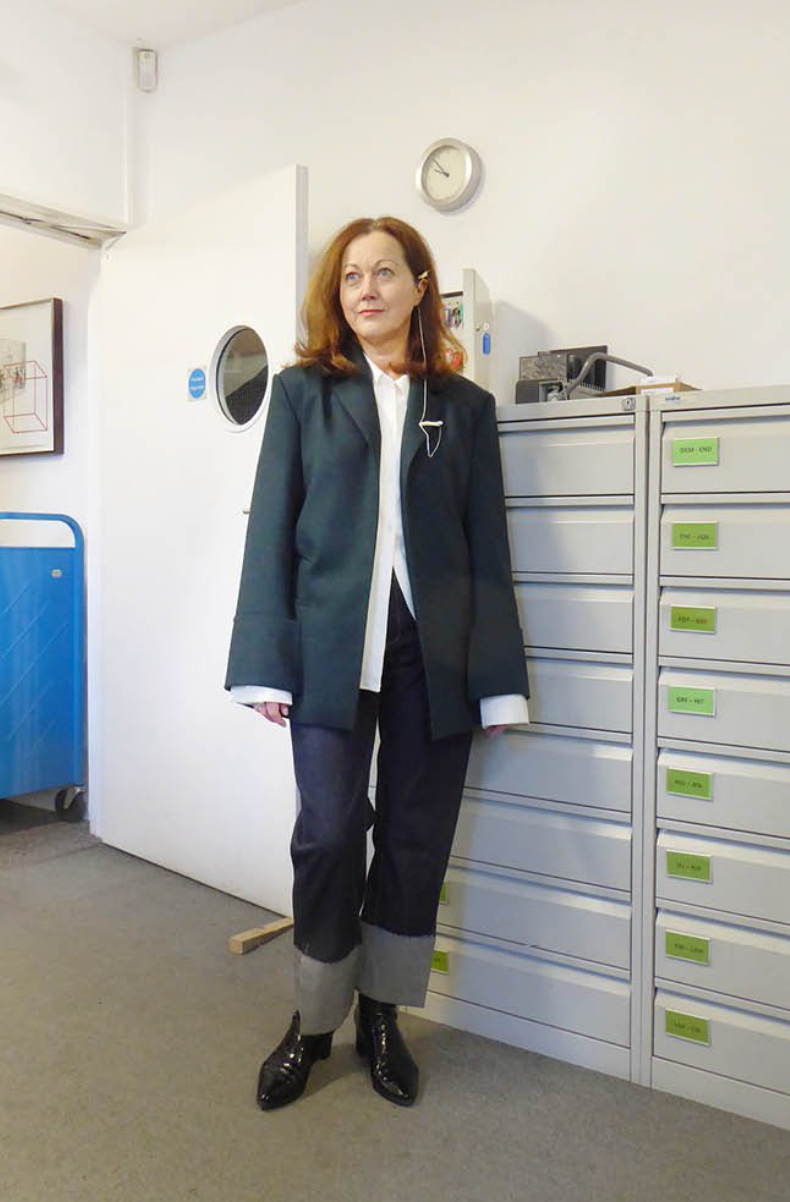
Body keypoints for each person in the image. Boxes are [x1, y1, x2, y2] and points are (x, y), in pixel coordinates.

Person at [225, 215, 529, 1110]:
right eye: (352, 275)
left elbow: (486, 550)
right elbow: (271, 530)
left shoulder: (462, 408)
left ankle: (384, 1016)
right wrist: (264, 662)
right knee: (327, 832)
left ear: (419, 287)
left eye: (385, 272)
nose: (367, 288)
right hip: (330, 644)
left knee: (414, 834)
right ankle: (315, 1020)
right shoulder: (302, 393)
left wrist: (497, 682)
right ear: (338, 292)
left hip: (432, 649)